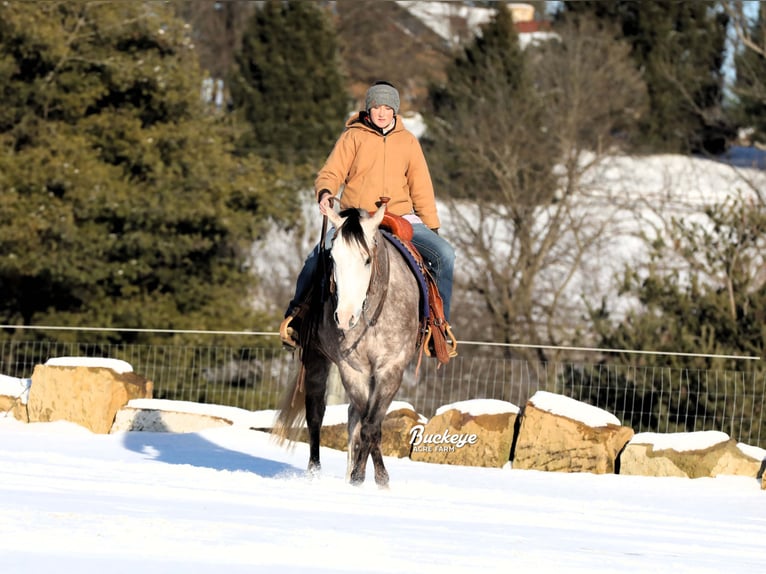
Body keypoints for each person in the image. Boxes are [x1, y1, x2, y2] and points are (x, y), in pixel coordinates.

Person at [280, 80, 455, 347]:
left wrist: (431, 227)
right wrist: (326, 192)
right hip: (357, 218)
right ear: (368, 109)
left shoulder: (408, 142)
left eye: (387, 107)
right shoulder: (352, 136)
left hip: (399, 215)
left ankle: (437, 327)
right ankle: (297, 318)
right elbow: (331, 172)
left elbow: (421, 187)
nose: (381, 112)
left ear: (395, 110)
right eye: (376, 107)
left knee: (444, 255)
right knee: (317, 257)